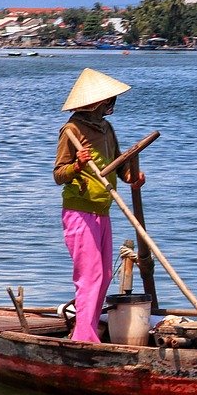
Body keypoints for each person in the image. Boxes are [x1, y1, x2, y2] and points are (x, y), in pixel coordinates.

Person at [54, 67, 144, 342]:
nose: (111, 105)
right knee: (90, 275)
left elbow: (118, 167)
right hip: (80, 210)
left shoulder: (106, 128)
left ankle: (87, 326)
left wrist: (133, 177)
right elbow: (59, 174)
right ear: (95, 102)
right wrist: (78, 164)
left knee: (103, 275)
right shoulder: (72, 130)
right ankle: (83, 336)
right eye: (108, 100)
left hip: (102, 209)